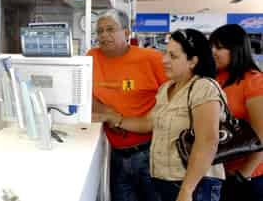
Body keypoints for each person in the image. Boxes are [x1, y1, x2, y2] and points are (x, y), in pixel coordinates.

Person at [103, 29, 225, 201]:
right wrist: (114, 119)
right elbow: (148, 123)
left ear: (192, 61)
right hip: (163, 182)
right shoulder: (166, 89)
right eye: (165, 53)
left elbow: (207, 141)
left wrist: (186, 190)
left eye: (173, 56)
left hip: (194, 186)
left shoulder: (203, 88)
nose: (164, 60)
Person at [87, 9, 167, 201]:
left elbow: (172, 96)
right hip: (116, 154)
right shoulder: (91, 57)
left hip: (151, 152)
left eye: (110, 29)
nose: (104, 35)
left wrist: (123, 120)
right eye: (99, 31)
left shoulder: (151, 59)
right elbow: (86, 96)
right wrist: (110, 114)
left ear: (126, 32)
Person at [209, 24, 263, 201]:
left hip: (248, 177)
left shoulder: (254, 81)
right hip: (217, 173)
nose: (213, 51)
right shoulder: (215, 78)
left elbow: (261, 136)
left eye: (220, 47)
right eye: (212, 46)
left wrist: (242, 175)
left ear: (237, 49)